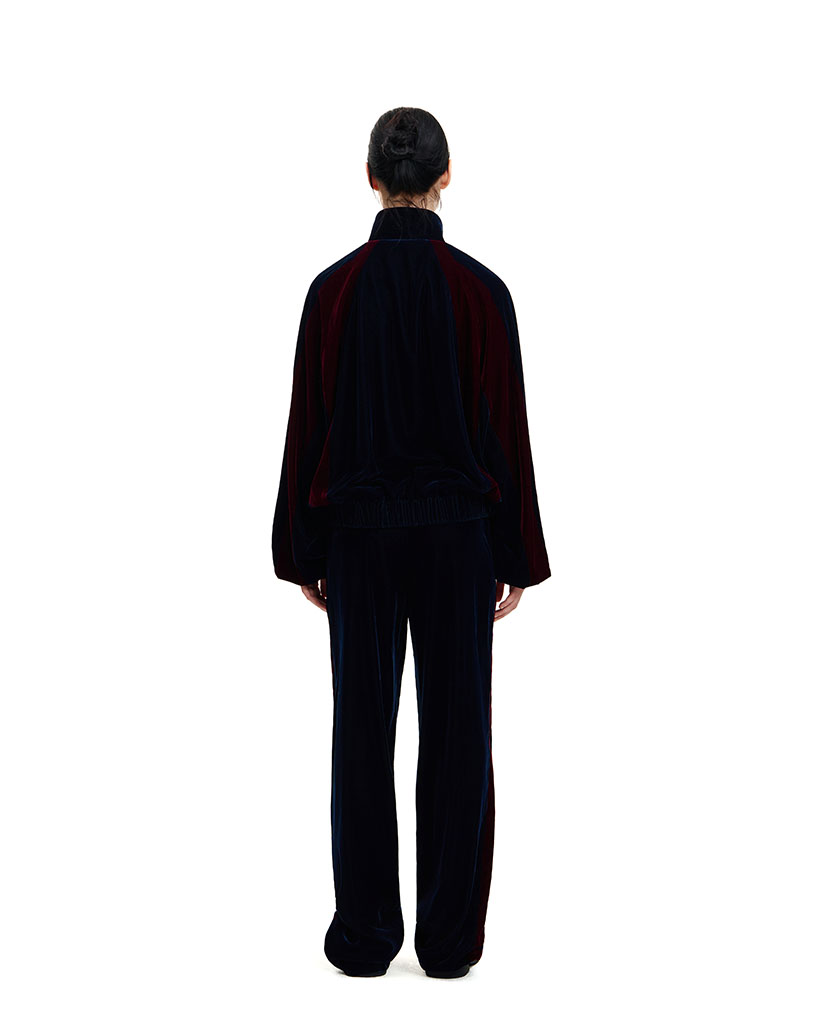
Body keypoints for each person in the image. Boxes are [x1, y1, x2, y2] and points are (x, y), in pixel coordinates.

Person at [272, 107, 551, 979]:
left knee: (360, 733)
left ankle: (365, 937)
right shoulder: (482, 293)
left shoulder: (332, 292)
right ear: (447, 174)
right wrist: (515, 554)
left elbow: (309, 426)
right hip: (458, 542)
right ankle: (449, 942)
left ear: (369, 177)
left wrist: (304, 548)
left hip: (358, 542)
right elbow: (505, 431)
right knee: (461, 733)